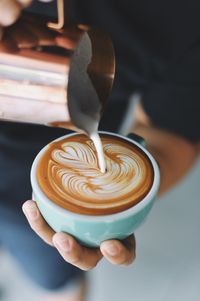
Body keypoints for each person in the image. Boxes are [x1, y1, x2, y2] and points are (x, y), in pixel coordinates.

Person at [0, 1, 200, 301]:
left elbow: (171, 133)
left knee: (54, 278)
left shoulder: (183, 15)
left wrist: (112, 209)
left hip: (44, 203)